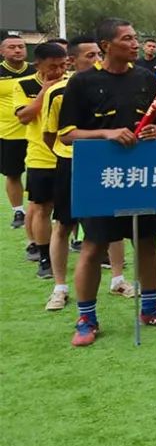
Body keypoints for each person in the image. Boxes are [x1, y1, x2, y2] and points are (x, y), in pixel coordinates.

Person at [59, 18, 156, 347]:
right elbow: (67, 134)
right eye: (127, 39)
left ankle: (151, 308)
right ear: (106, 46)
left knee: (148, 243)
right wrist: (106, 133)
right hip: (102, 176)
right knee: (93, 247)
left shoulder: (145, 78)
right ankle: (86, 318)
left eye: (135, 37)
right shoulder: (82, 82)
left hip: (143, 175)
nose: (135, 44)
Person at [43, 37, 135, 311]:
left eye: (98, 54)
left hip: (108, 165)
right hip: (71, 164)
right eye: (90, 56)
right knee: (64, 224)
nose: (97, 60)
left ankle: (118, 279)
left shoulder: (117, 85)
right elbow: (53, 135)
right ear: (72, 61)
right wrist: (68, 155)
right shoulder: (58, 91)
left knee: (114, 220)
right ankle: (60, 287)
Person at [13, 42, 67, 278]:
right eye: (52, 67)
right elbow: (24, 117)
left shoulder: (73, 82)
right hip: (40, 157)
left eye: (63, 65)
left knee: (75, 206)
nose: (58, 71)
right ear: (38, 65)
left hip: (68, 154)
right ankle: (44, 257)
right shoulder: (24, 85)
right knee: (42, 208)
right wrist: (45, 92)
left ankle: (87, 247)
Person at [1, 33, 30, 230]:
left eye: (21, 46)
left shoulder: (37, 70)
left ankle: (49, 208)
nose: (18, 50)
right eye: (12, 47)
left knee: (46, 173)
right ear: (2, 51)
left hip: (37, 134)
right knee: (13, 174)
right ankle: (18, 210)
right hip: (8, 133)